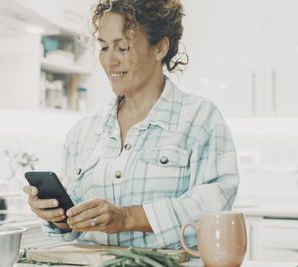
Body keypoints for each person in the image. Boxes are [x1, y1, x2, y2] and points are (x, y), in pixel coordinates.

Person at [24, 0, 239, 249]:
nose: (109, 61)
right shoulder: (83, 132)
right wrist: (59, 216)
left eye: (122, 48)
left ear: (159, 48)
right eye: (104, 48)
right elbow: (74, 230)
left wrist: (128, 217)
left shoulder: (200, 118)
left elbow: (216, 204)